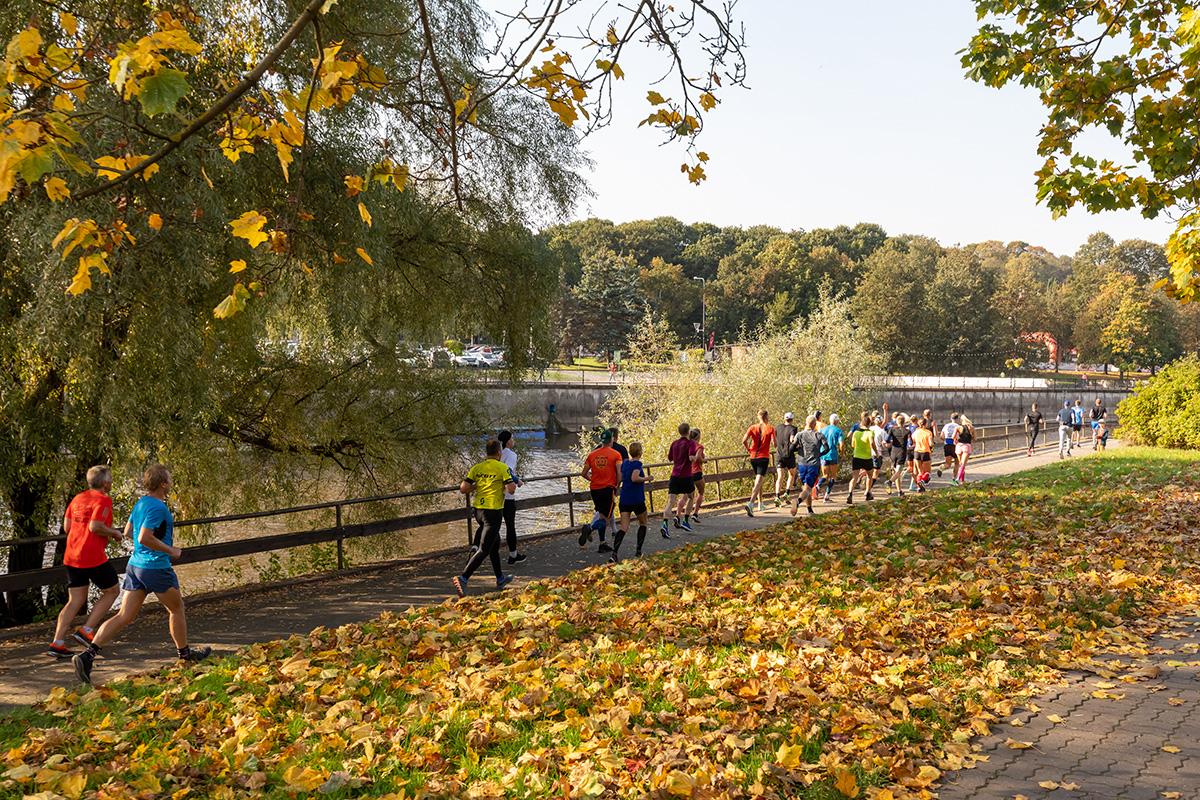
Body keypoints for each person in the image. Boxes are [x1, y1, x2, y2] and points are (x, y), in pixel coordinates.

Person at [73, 464, 211, 684]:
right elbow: (143, 537)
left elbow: (128, 532)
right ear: (163, 484)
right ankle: (185, 656)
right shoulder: (157, 507)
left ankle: (87, 656)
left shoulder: (141, 503)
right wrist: (171, 550)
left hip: (136, 566)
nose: (171, 480)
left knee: (124, 616)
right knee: (176, 609)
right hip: (155, 567)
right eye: (169, 478)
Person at [49, 466, 124, 659]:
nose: (112, 482)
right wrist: (114, 532)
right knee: (112, 590)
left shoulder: (78, 498)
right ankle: (87, 630)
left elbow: (67, 526)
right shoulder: (104, 499)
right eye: (111, 480)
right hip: (92, 556)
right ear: (106, 483)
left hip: (72, 556)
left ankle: (57, 643)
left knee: (75, 600)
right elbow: (95, 526)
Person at [454, 441, 517, 598]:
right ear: (499, 453)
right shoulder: (502, 468)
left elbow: (463, 488)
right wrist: (504, 485)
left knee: (495, 544)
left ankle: (500, 579)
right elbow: (511, 488)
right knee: (484, 549)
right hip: (493, 511)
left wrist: (478, 486)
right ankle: (463, 577)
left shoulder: (477, 468)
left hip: (478, 511)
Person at [578, 430, 622, 553]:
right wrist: (617, 486)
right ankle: (590, 528)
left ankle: (602, 544)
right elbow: (619, 474)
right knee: (605, 519)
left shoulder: (592, 455)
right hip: (608, 489)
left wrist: (592, 479)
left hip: (595, 489)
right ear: (611, 440)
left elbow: (583, 473)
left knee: (602, 514)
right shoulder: (616, 455)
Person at [615, 442, 649, 562]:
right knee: (643, 522)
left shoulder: (625, 463)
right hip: (636, 498)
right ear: (640, 452)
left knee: (624, 527)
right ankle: (638, 551)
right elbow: (634, 478)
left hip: (625, 498)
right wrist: (647, 478)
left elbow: (621, 477)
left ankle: (614, 553)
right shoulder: (637, 464)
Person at [661, 422, 697, 536]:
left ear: (679, 432)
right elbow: (691, 458)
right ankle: (686, 521)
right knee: (691, 497)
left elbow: (670, 458)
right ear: (688, 432)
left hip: (674, 475)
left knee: (671, 501)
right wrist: (697, 457)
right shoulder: (691, 443)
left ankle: (664, 525)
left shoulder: (674, 443)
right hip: (686, 476)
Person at [497, 431, 527, 565]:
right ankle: (513, 555)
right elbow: (507, 471)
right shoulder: (511, 454)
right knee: (510, 526)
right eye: (512, 438)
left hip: (495, 495)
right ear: (508, 441)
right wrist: (517, 480)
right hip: (507, 495)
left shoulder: (497, 454)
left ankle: (479, 548)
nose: (513, 441)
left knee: (492, 525)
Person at [790, 414, 829, 516]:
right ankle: (797, 502)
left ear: (806, 423)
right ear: (815, 424)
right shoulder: (819, 435)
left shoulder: (799, 435)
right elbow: (826, 448)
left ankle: (810, 510)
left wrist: (798, 449)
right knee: (808, 489)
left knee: (806, 488)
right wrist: (819, 454)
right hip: (813, 464)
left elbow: (791, 448)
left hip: (801, 464)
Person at [742, 409, 775, 516]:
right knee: (758, 480)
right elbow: (775, 444)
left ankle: (761, 503)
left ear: (758, 417)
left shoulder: (752, 427)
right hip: (763, 457)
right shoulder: (770, 428)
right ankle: (751, 503)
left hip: (753, 457)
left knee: (759, 479)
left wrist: (749, 450)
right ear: (767, 417)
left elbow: (744, 440)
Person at [847, 411, 879, 504]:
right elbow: (872, 443)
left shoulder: (856, 432)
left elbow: (853, 445)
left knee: (854, 477)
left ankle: (850, 493)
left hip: (856, 457)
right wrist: (876, 452)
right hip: (867, 458)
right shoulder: (870, 432)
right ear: (869, 423)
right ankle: (868, 493)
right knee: (870, 475)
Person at [817, 413, 845, 502]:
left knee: (825, 475)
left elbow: (818, 442)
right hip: (832, 455)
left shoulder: (822, 430)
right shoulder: (838, 431)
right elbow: (841, 444)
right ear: (837, 421)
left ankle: (818, 486)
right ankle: (827, 496)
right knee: (833, 477)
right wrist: (842, 453)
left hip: (823, 455)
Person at [774, 412, 799, 507]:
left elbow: (775, 441)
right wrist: (796, 443)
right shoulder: (793, 428)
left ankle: (777, 497)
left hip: (779, 455)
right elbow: (792, 439)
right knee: (792, 474)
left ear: (784, 419)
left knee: (780, 476)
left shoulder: (778, 427)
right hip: (789, 455)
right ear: (792, 420)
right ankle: (787, 494)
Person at [887, 414, 911, 496]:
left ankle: (899, 491)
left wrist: (889, 443)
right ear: (904, 422)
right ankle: (890, 482)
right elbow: (910, 442)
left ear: (897, 422)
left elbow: (887, 440)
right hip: (902, 452)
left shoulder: (892, 429)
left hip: (893, 452)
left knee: (895, 472)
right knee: (898, 472)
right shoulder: (907, 431)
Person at [685, 428, 706, 524]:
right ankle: (695, 513)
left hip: (687, 473)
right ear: (699, 436)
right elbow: (698, 458)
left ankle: (678, 515)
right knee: (701, 492)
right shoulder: (699, 446)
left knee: (687, 495)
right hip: (697, 472)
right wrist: (703, 460)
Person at [911, 418, 934, 491]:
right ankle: (922, 482)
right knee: (927, 472)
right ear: (926, 424)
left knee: (920, 472)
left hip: (917, 452)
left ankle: (919, 487)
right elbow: (931, 444)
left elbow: (913, 441)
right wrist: (932, 445)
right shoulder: (928, 432)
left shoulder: (915, 432)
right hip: (925, 452)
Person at [938, 413, 961, 479]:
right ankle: (954, 479)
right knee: (957, 463)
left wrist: (945, 440)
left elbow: (941, 436)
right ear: (957, 419)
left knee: (948, 464)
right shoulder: (958, 426)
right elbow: (960, 437)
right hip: (955, 445)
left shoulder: (946, 426)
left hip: (947, 445)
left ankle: (941, 467)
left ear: (951, 418)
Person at [870, 414, 888, 491]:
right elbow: (885, 443)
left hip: (867, 452)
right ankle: (869, 487)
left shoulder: (870, 429)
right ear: (881, 423)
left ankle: (861, 482)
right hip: (877, 453)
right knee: (876, 471)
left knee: (868, 469)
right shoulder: (882, 431)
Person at [955, 415, 975, 483]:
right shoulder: (971, 428)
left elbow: (953, 437)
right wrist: (971, 436)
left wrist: (956, 440)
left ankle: (962, 481)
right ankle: (957, 479)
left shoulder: (958, 428)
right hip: (966, 446)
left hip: (959, 446)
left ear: (961, 421)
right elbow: (975, 438)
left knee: (961, 464)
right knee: (963, 465)